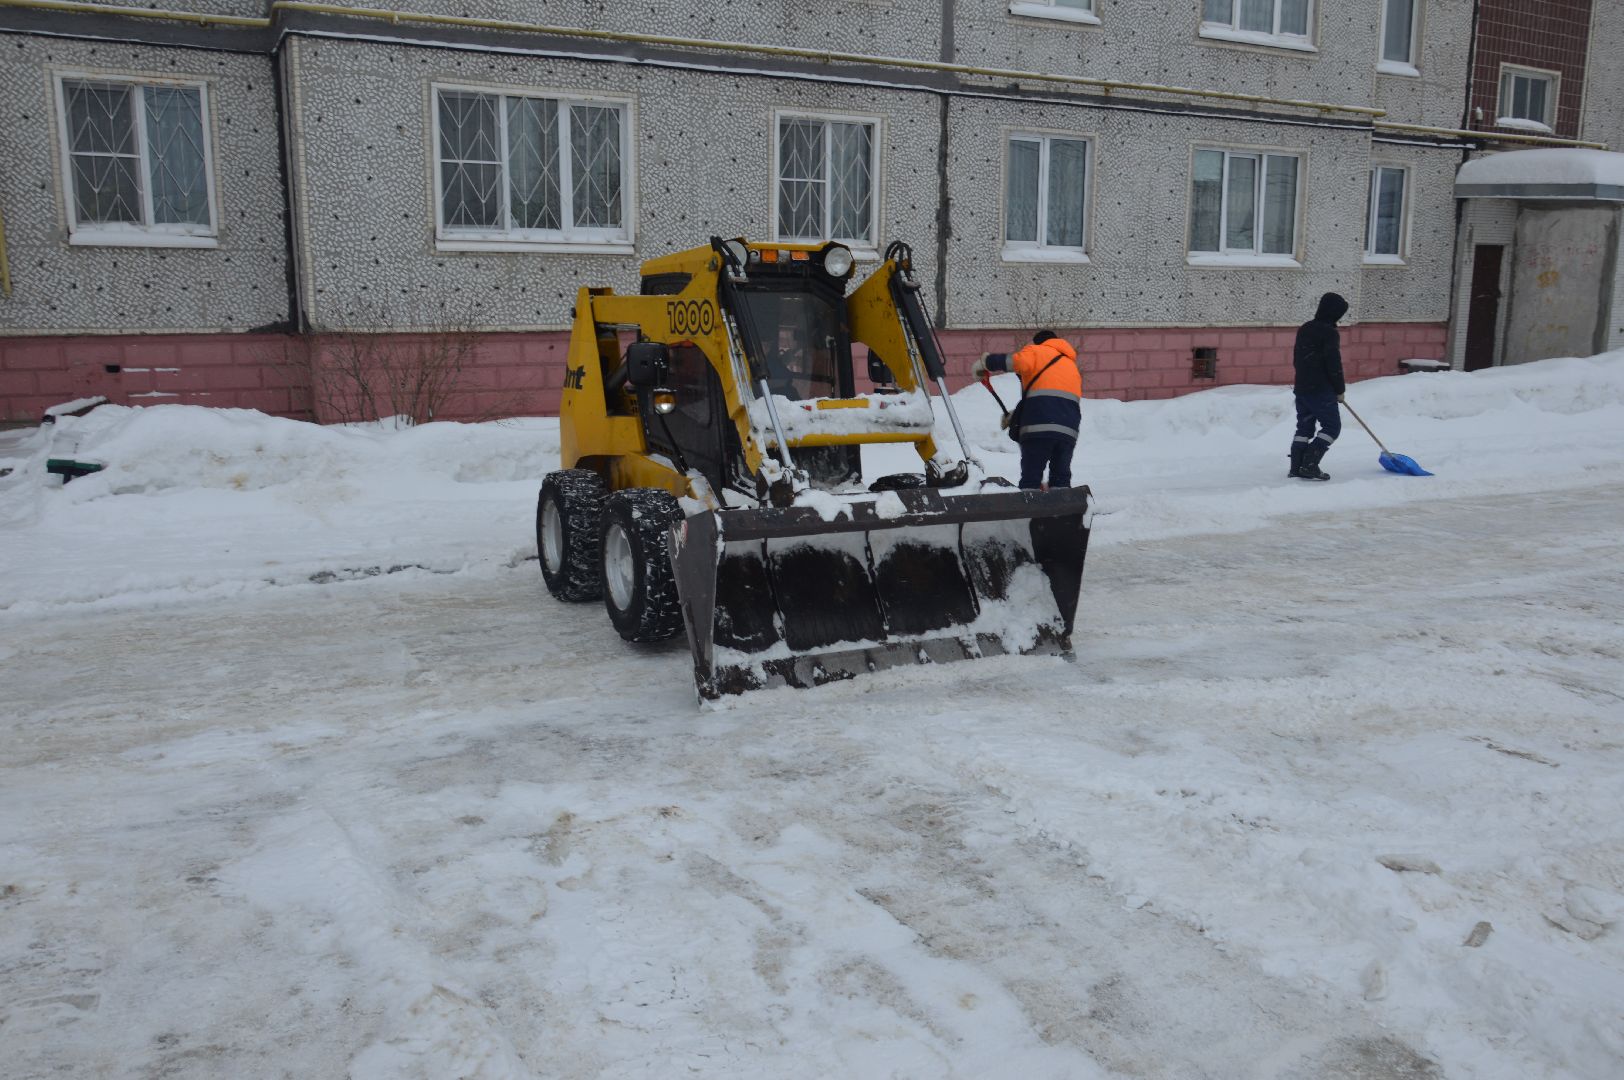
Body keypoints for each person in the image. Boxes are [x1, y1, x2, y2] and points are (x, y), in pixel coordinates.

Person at [972, 330, 1082, 489]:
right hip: (1068, 431)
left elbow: (1016, 362)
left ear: (1039, 343)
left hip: (1040, 426)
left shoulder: (1038, 351)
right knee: (1060, 477)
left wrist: (986, 362)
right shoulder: (1070, 365)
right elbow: (1051, 396)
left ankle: (1031, 507)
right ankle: (1062, 509)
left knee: (1032, 475)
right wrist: (1017, 415)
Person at [1290, 292, 1349, 481]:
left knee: (1304, 427)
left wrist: (1303, 381)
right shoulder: (1329, 333)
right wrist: (1339, 389)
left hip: (1302, 388)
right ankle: (1309, 464)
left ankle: (1296, 467)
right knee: (1332, 427)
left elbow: (1297, 359)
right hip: (1321, 390)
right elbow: (1334, 364)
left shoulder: (1305, 328)